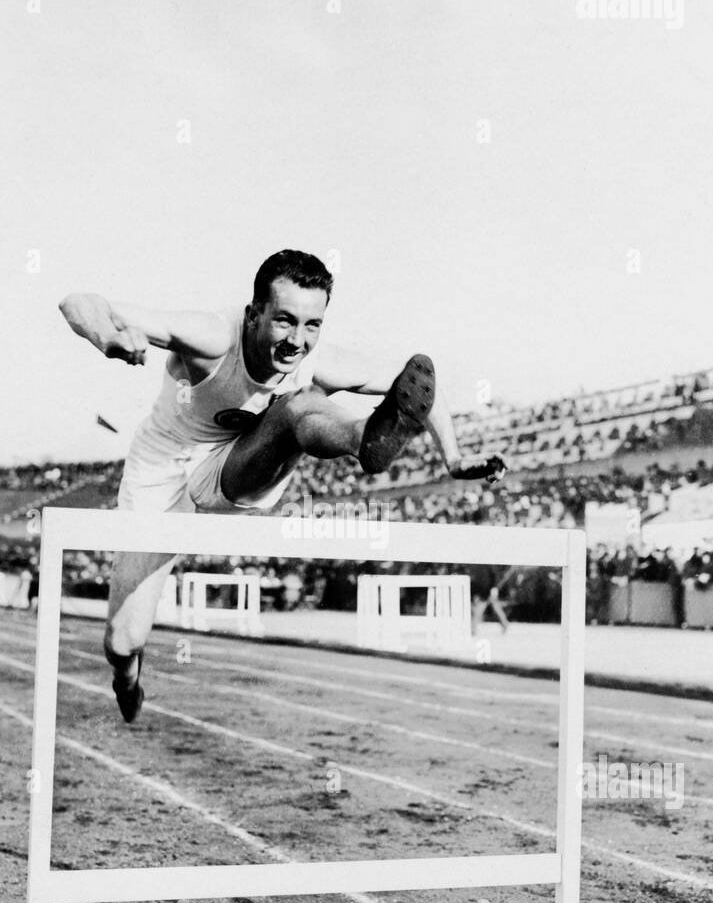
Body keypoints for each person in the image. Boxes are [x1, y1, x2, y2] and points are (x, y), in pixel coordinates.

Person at [60, 249, 505, 721]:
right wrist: (108, 336)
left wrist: (453, 458)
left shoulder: (313, 358)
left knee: (298, 406)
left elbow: (416, 386)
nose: (297, 340)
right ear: (254, 314)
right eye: (285, 321)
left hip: (236, 468)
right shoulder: (212, 337)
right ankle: (126, 678)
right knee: (123, 639)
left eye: (312, 325)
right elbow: (78, 301)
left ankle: (362, 438)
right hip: (162, 473)